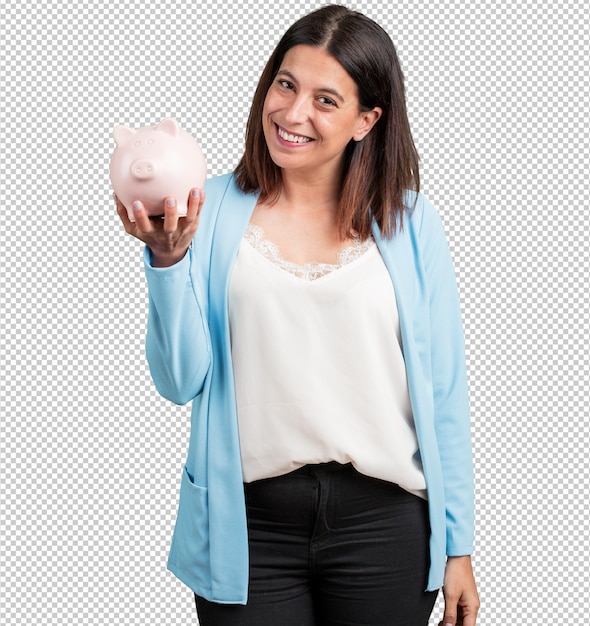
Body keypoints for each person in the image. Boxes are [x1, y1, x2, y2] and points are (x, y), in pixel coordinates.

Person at [116, 5, 480, 625]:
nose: (292, 113)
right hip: (248, 527)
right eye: (285, 84)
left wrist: (458, 545)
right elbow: (180, 383)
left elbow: (443, 391)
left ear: (368, 119)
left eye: (325, 100)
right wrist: (168, 259)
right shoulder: (207, 207)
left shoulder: (411, 220)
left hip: (386, 526)